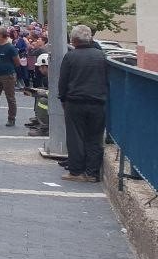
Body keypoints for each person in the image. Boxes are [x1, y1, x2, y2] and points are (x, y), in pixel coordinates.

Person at [59, 25, 110, 183]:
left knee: (75, 137)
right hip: (98, 102)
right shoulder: (101, 56)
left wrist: (63, 99)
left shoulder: (70, 57)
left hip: (75, 102)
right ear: (90, 38)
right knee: (94, 137)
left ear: (73, 40)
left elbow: (63, 81)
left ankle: (76, 172)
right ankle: (92, 173)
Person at [24, 52, 50, 137]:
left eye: (40, 67)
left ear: (45, 66)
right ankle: (39, 120)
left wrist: (39, 92)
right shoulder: (48, 77)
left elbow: (54, 93)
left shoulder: (53, 76)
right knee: (39, 94)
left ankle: (45, 128)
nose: (39, 70)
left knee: (43, 101)